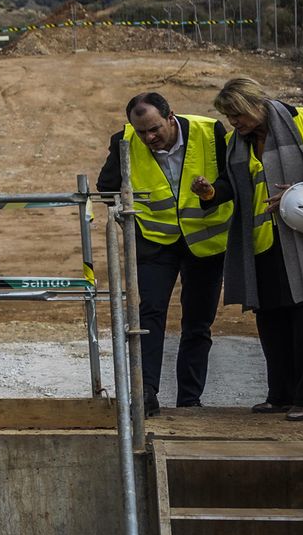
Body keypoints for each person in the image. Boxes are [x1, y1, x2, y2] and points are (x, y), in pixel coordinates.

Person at [96, 92, 232, 415]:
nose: (149, 137)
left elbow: (232, 181)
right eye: (141, 131)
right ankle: (146, 394)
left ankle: (189, 400)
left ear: (171, 116)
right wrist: (129, 216)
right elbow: (107, 187)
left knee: (198, 322)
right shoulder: (124, 142)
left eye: (154, 129)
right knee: (149, 316)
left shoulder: (209, 132)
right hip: (156, 243)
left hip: (204, 243)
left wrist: (211, 193)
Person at [198, 78, 303, 418]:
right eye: (229, 118)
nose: (234, 123)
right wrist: (211, 193)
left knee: (302, 321)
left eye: (237, 115)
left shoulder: (298, 122)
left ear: (254, 104)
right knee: (272, 323)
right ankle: (280, 395)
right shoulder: (236, 143)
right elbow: (233, 185)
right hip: (262, 247)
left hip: (299, 244)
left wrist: (299, 190)